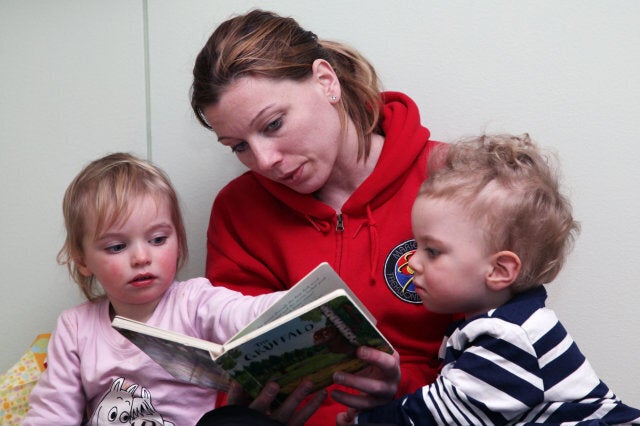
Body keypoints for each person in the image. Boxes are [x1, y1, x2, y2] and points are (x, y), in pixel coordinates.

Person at [190, 9, 455, 423]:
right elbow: (236, 353)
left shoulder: (448, 178)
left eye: (273, 124)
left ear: (325, 81)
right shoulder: (238, 209)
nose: (264, 161)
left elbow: (499, 349)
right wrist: (253, 403)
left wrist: (398, 391)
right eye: (238, 146)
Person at [338, 134, 640, 425]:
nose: (414, 261)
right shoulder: (490, 326)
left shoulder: (511, 337)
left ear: (499, 271)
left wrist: (367, 420)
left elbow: (442, 415)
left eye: (432, 251)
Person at [23, 152, 326, 425]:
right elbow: (51, 413)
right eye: (117, 246)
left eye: (158, 240)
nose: (142, 258)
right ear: (82, 260)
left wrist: (303, 300)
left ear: (178, 238)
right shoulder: (75, 327)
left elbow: (243, 313)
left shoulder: (194, 301)